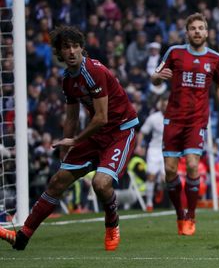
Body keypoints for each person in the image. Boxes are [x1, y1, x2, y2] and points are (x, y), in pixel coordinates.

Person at [0, 26, 138, 251]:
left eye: (76, 46)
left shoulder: (92, 71)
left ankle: (112, 221)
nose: (72, 51)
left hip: (120, 132)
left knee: (100, 184)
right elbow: (72, 116)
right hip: (95, 134)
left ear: (82, 48)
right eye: (66, 47)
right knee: (57, 181)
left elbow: (102, 118)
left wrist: (74, 141)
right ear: (59, 52)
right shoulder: (67, 80)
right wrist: (66, 146)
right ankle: (22, 236)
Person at [151, 13, 219, 236]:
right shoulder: (174, 52)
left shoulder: (215, 58)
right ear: (187, 33)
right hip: (173, 119)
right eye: (193, 28)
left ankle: (191, 216)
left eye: (201, 28)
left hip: (197, 121)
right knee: (170, 169)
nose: (197, 32)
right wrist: (158, 77)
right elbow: (155, 76)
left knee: (191, 165)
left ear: (207, 32)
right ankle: (180, 213)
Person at [138, 96, 168, 211]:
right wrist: (139, 146)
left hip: (167, 150)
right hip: (154, 150)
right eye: (164, 105)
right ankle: (149, 202)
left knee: (166, 178)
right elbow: (142, 132)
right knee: (151, 176)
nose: (165, 107)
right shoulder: (153, 118)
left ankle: (160, 187)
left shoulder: (175, 117)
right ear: (160, 106)